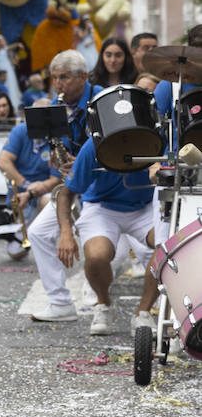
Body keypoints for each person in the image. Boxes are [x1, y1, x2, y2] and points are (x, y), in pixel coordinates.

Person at [25, 50, 103, 323]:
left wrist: (81, 160)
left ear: (83, 77)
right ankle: (60, 303)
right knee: (36, 232)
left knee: (106, 243)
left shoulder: (102, 100)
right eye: (54, 78)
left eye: (65, 78)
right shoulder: (56, 107)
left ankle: (100, 295)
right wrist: (63, 163)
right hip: (73, 184)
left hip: (103, 185)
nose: (58, 84)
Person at [53, 136, 157, 337]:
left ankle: (143, 312)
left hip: (146, 205)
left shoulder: (155, 137)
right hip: (102, 206)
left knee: (168, 247)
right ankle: (104, 303)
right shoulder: (93, 145)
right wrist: (66, 233)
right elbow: (66, 193)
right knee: (96, 256)